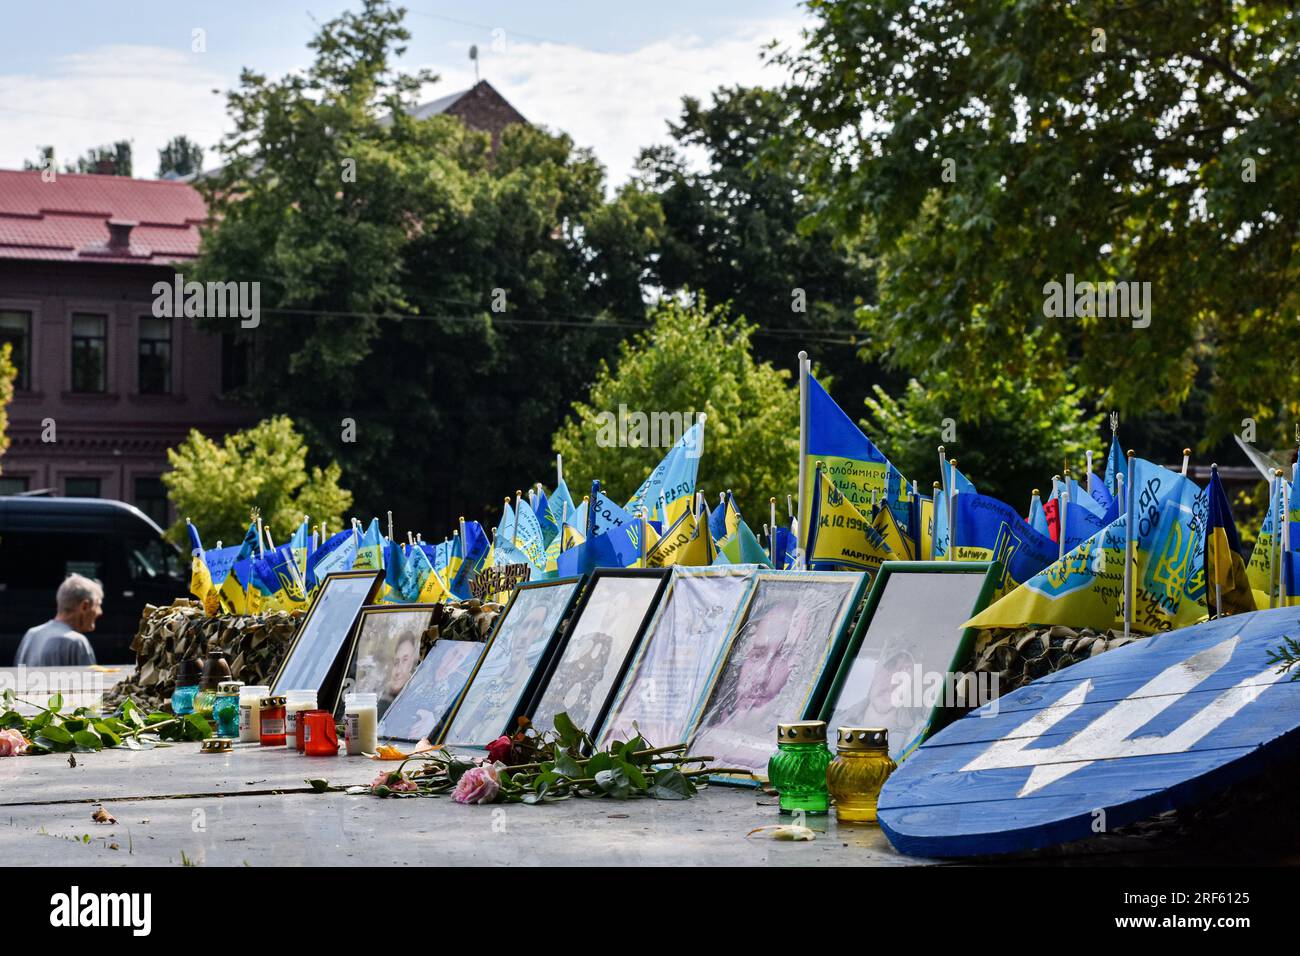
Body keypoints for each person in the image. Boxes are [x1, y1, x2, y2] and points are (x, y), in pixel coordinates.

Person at [14, 574, 103, 666]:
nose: (100, 612)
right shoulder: (76, 642)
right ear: (84, 606)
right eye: (98, 605)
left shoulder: (31, 634)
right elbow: (89, 680)